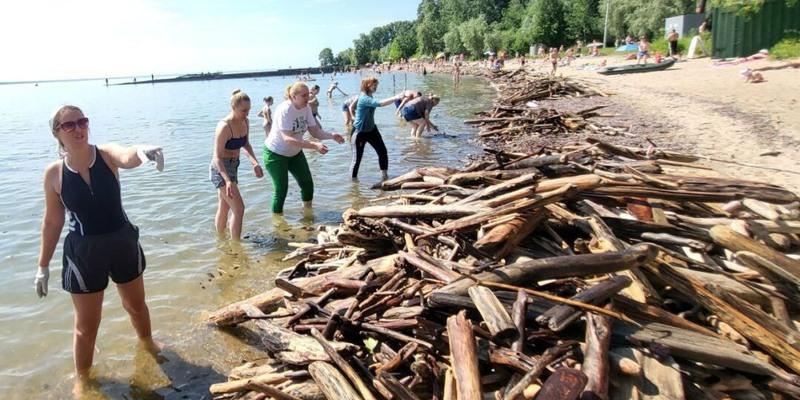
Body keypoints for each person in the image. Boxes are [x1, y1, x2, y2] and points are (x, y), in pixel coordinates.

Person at [37, 105, 165, 392]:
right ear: (57, 132)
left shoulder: (105, 155)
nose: (78, 128)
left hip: (121, 240)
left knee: (135, 305)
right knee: (86, 326)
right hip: (83, 252)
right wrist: (42, 266)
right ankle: (83, 380)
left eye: (82, 121)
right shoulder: (54, 174)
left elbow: (127, 155)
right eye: (69, 125)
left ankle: (147, 344)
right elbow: (52, 221)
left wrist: (143, 151)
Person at [264, 82, 344, 214]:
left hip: (294, 153)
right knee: (281, 189)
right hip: (275, 153)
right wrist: (314, 145)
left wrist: (332, 136)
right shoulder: (286, 109)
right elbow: (288, 139)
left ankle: (307, 214)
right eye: (304, 95)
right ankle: (278, 225)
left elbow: (315, 131)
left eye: (308, 94)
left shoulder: (306, 108)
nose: (308, 98)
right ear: (293, 96)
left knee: (307, 184)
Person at [210, 89, 264, 241]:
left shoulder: (245, 122)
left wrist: (255, 163)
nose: (246, 114)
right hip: (220, 169)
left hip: (234, 166)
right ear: (233, 107)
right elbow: (216, 157)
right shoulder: (224, 127)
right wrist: (227, 180)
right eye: (243, 110)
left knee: (224, 205)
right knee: (239, 209)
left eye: (249, 110)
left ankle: (221, 241)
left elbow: (246, 144)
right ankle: (236, 246)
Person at [349, 77, 401, 181]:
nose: (376, 87)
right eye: (374, 85)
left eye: (376, 85)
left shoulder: (369, 96)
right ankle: (354, 185)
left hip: (372, 129)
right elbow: (380, 103)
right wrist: (396, 97)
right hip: (360, 132)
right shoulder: (364, 98)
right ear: (367, 85)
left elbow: (353, 106)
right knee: (357, 160)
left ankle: (384, 177)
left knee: (382, 151)